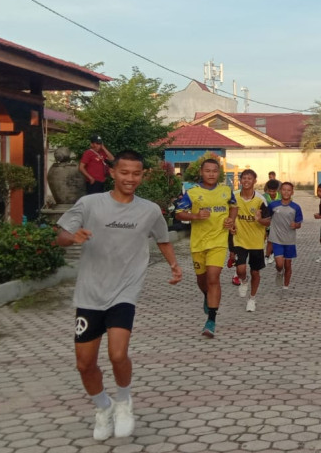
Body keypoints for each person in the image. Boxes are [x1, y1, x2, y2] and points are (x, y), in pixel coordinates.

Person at [55, 150, 183, 441]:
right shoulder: (89, 203)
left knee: (117, 353)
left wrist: (175, 266)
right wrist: (71, 238)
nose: (130, 178)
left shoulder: (150, 210)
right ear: (112, 173)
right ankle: (103, 407)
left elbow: (162, 238)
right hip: (89, 292)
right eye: (124, 172)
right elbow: (61, 234)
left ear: (142, 176)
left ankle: (124, 401)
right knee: (84, 364)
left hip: (125, 290)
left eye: (136, 173)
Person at [174, 158, 234, 337]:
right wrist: (195, 216)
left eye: (214, 171)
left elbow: (233, 207)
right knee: (202, 281)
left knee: (213, 278)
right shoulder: (192, 193)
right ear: (201, 172)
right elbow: (178, 215)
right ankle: (207, 297)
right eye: (207, 171)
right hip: (198, 243)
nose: (211, 174)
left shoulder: (226, 191)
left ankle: (211, 320)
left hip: (218, 241)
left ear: (219, 173)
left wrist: (231, 219)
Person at [228, 169, 267, 313]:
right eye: (244, 178)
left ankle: (252, 299)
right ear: (240, 180)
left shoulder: (261, 200)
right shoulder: (234, 197)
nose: (246, 181)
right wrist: (230, 226)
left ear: (255, 181)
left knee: (255, 273)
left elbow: (268, 221)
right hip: (239, 240)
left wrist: (260, 219)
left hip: (256, 242)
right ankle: (243, 281)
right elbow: (227, 215)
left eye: (249, 178)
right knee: (241, 269)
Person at [262, 182, 303, 289]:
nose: (286, 192)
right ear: (280, 191)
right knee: (280, 264)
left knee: (288, 265)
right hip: (276, 239)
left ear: (292, 192)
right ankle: (279, 272)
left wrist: (296, 225)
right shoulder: (273, 205)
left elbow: (299, 223)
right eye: (284, 190)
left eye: (288, 190)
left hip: (289, 240)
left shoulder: (296, 207)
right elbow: (266, 217)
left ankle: (285, 286)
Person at [260, 179, 282, 267]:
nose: (272, 193)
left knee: (271, 240)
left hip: (278, 223)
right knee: (266, 240)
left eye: (274, 191)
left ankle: (268, 256)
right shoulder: (263, 197)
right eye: (270, 191)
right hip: (266, 223)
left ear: (277, 190)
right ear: (267, 190)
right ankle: (268, 255)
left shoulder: (281, 197)